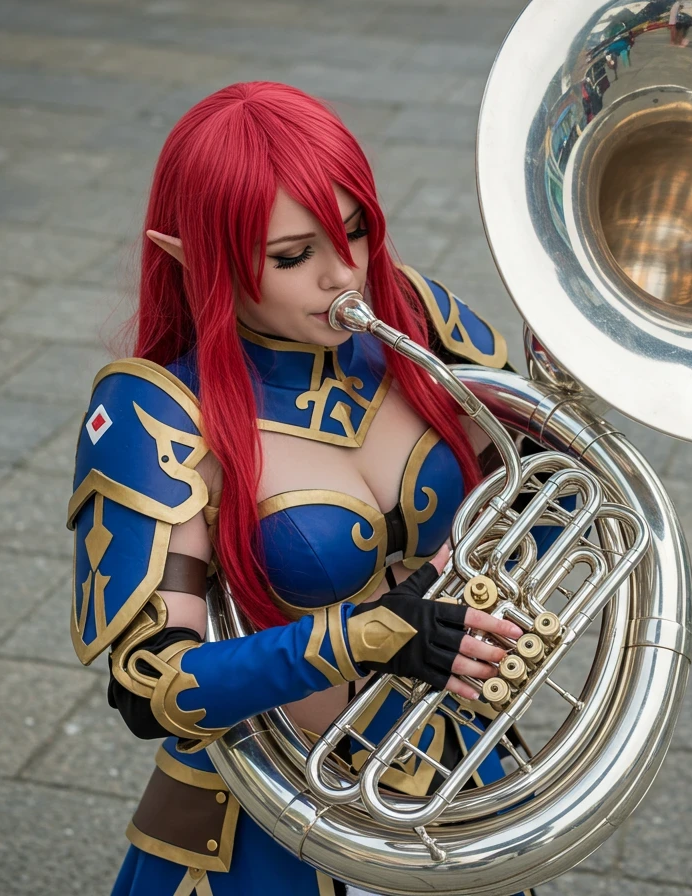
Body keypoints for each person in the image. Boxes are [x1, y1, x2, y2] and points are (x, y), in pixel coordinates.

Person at [67, 81, 538, 896]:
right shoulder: (155, 414)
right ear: (191, 256)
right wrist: (364, 638)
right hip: (269, 821)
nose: (343, 273)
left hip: (455, 768)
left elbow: (549, 486)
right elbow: (151, 683)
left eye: (354, 230)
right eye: (292, 256)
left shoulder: (416, 315)